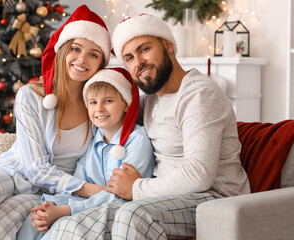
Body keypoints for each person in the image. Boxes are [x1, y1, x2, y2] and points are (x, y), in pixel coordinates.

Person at [51, 13, 251, 239]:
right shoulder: (150, 99)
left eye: (144, 49)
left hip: (213, 198)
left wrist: (136, 188)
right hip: (167, 198)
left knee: (132, 215)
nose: (138, 63)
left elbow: (199, 174)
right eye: (129, 58)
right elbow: (107, 111)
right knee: (78, 221)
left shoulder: (198, 94)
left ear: (168, 46)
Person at [0, 5, 112, 240]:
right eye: (76, 49)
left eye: (93, 54)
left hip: (47, 192)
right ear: (63, 50)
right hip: (12, 172)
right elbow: (35, 168)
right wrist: (91, 190)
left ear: (101, 63)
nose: (82, 59)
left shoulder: (98, 108)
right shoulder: (32, 95)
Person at [17, 67, 155, 240]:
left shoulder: (137, 141)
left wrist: (64, 210)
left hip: (118, 209)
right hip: (88, 204)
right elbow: (78, 186)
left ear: (126, 104)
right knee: (31, 225)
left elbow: (122, 195)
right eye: (93, 102)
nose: (99, 109)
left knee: (62, 227)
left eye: (108, 101)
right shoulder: (92, 141)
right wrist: (51, 208)